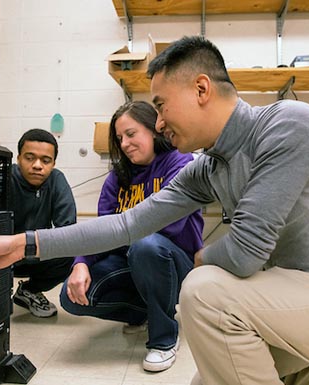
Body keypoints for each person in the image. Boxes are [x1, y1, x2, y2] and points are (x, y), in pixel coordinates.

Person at [0, 35, 309, 385]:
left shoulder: (287, 124)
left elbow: (244, 254)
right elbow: (126, 224)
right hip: (306, 308)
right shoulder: (209, 167)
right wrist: (20, 245)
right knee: (207, 378)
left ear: (202, 88)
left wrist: (200, 260)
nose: (157, 123)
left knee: (205, 290)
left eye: (161, 106)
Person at [61, 101, 204, 372]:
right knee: (72, 296)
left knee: (146, 244)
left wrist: (114, 238)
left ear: (153, 130)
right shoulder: (117, 177)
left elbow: (169, 227)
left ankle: (163, 339)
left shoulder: (180, 161)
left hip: (173, 263)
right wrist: (81, 262)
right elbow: (102, 227)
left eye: (131, 134)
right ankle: (142, 312)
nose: (124, 144)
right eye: (119, 138)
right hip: (130, 257)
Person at [0, 128, 77, 318]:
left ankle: (28, 291)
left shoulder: (56, 180)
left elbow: (68, 229)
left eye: (46, 160)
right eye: (30, 158)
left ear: (53, 163)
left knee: (72, 253)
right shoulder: (3, 176)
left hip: (32, 254)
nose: (38, 165)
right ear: (19, 158)